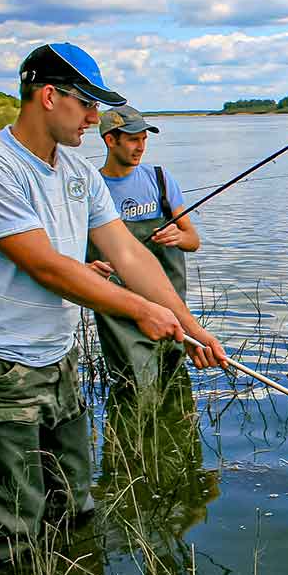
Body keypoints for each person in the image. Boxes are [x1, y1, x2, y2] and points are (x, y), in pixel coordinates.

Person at [0, 42, 227, 565]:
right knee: (11, 536)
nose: (95, 117)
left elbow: (129, 255)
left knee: (76, 509)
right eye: (86, 103)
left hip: (58, 359)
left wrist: (190, 325)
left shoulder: (77, 172)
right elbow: (46, 266)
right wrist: (138, 310)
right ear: (49, 95)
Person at [86, 105, 198, 392]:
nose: (141, 147)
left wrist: (177, 236)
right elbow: (70, 256)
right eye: (134, 139)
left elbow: (192, 240)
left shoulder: (159, 179)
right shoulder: (92, 187)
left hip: (172, 307)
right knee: (132, 389)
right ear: (111, 140)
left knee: (174, 387)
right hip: (119, 317)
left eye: (144, 139)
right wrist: (86, 267)